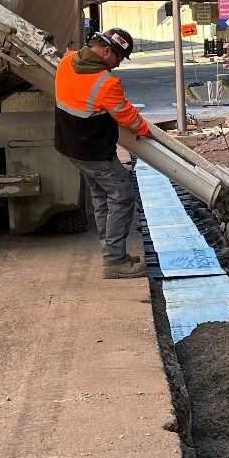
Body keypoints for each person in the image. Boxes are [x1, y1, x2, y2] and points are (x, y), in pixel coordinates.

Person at [54, 28, 151, 279]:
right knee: (122, 195)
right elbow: (126, 115)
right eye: (118, 58)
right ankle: (115, 261)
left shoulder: (66, 61)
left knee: (101, 196)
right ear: (106, 50)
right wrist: (144, 130)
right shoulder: (106, 83)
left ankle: (112, 253)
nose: (117, 65)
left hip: (71, 147)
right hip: (93, 151)